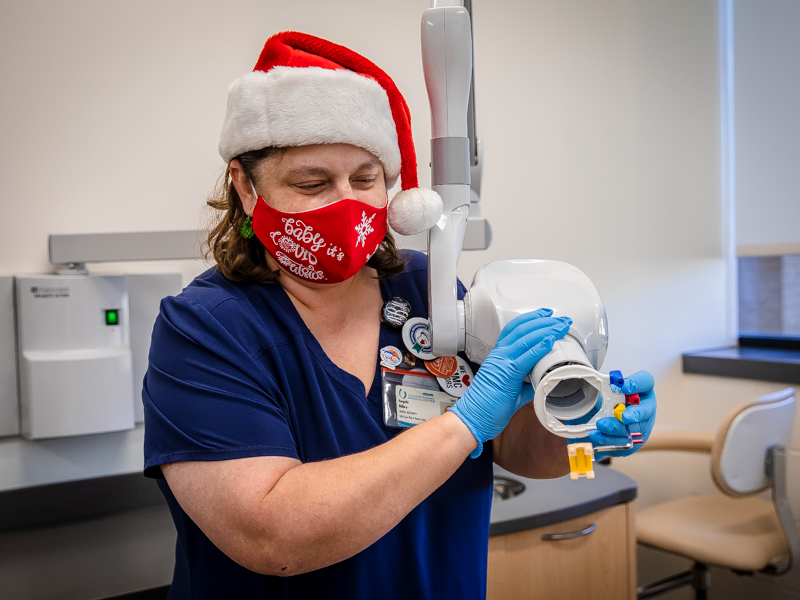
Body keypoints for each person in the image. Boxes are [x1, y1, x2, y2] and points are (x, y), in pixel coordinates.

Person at [143, 31, 657, 599]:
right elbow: (273, 538)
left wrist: (585, 435)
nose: (347, 204)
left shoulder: (426, 289)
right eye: (312, 183)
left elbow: (521, 451)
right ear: (245, 185)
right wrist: (463, 424)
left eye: (366, 179)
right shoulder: (205, 328)